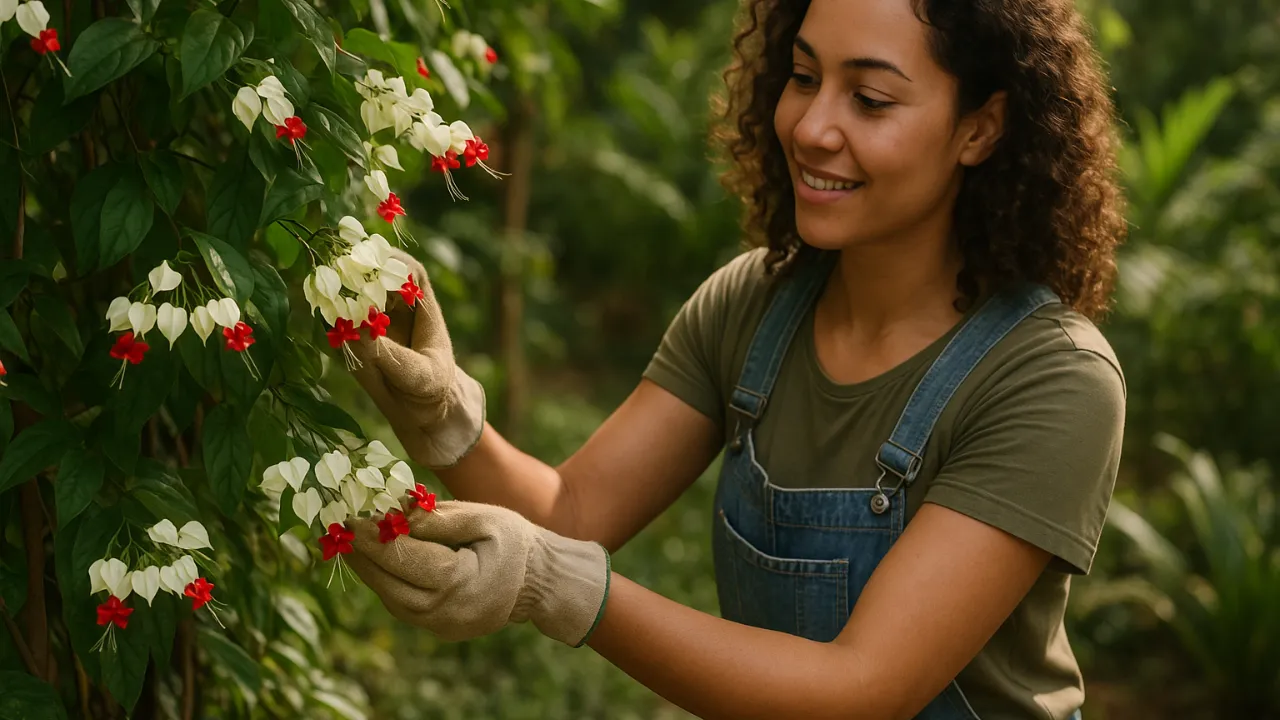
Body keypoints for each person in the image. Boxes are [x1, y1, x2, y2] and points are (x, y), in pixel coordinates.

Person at [344, 0, 1129, 717]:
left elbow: (861, 691)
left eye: (870, 99)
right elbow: (572, 512)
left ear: (981, 128)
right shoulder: (756, 305)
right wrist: (448, 421)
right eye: (804, 76)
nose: (812, 126)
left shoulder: (1050, 381)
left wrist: (562, 586)